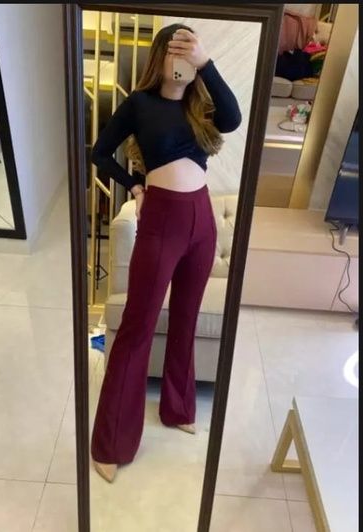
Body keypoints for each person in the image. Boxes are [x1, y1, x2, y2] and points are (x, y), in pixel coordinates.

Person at [89, 23, 241, 483]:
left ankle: (177, 409)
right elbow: (100, 153)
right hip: (161, 222)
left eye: (189, 51)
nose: (182, 61)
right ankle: (111, 442)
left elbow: (234, 119)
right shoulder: (139, 104)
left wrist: (206, 63)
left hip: (202, 221)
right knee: (137, 328)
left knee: (186, 320)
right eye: (176, 50)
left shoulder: (202, 105)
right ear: (161, 56)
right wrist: (135, 185)